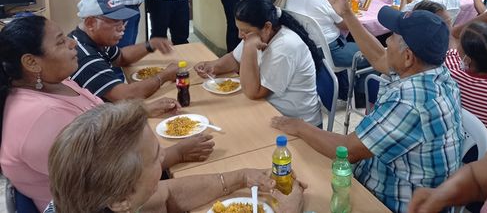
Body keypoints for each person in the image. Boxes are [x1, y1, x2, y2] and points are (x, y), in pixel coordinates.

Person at [272, 0, 463, 213]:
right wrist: (347, 13)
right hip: (381, 177)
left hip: (392, 202)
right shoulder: (434, 71)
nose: (387, 41)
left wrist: (298, 125)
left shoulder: (411, 102)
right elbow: (380, 58)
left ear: (408, 57)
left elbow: (347, 151)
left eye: (393, 37)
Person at [0, 16, 214, 211]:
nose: (72, 43)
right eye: (60, 42)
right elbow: (111, 181)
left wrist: (140, 111)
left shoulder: (56, 81)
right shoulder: (43, 118)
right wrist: (178, 153)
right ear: (31, 62)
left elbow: (96, 115)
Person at [46, 101, 306, 213]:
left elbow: (167, 193)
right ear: (121, 199)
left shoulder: (100, 199)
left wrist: (241, 177)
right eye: (155, 158)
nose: (164, 158)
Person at [195, 0, 322, 126]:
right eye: (239, 29)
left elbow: (254, 92)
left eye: (245, 31)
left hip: (297, 123)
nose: (240, 35)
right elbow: (235, 59)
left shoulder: (285, 47)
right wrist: (214, 66)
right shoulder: (257, 34)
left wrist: (249, 48)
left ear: (267, 27)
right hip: (268, 109)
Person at [285, 0, 371, 100]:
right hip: (330, 52)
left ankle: (344, 91)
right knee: (371, 52)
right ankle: (361, 97)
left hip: (304, 49)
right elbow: (345, 24)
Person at [69, 0, 179, 101]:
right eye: (115, 21)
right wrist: (165, 75)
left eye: (122, 21)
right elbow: (126, 95)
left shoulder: (95, 40)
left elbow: (121, 57)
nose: (122, 27)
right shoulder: (85, 57)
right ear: (90, 23)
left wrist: (151, 44)